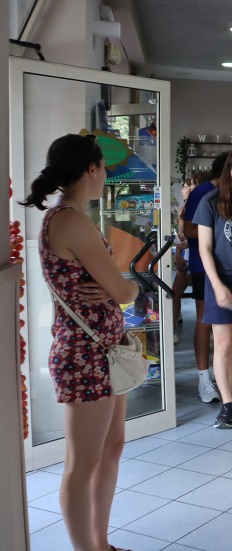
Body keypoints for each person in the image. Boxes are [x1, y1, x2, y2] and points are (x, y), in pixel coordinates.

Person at [21, 133, 139, 551]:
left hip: (102, 353)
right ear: (92, 170)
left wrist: (117, 288)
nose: (105, 175)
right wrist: (125, 289)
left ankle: (100, 543)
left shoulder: (73, 217)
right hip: (84, 354)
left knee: (112, 447)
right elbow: (125, 292)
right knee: (83, 463)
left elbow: (114, 287)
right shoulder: (70, 219)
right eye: (103, 168)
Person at [193, 149, 232, 429]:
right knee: (224, 343)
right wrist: (217, 285)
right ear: (228, 172)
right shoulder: (209, 201)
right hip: (221, 276)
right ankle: (228, 404)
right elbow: (205, 249)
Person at [183, 153, 230, 404]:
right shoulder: (203, 191)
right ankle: (203, 378)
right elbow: (188, 228)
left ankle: (221, 373)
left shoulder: (231, 195)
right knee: (204, 322)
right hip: (203, 266)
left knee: (225, 327)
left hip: (225, 267)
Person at [172, 170, 208, 338]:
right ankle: (170, 332)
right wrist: (179, 251)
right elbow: (182, 235)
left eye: (186, 186)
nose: (183, 189)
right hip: (187, 256)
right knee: (174, 294)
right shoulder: (184, 209)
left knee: (204, 304)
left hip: (200, 259)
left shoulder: (205, 206)